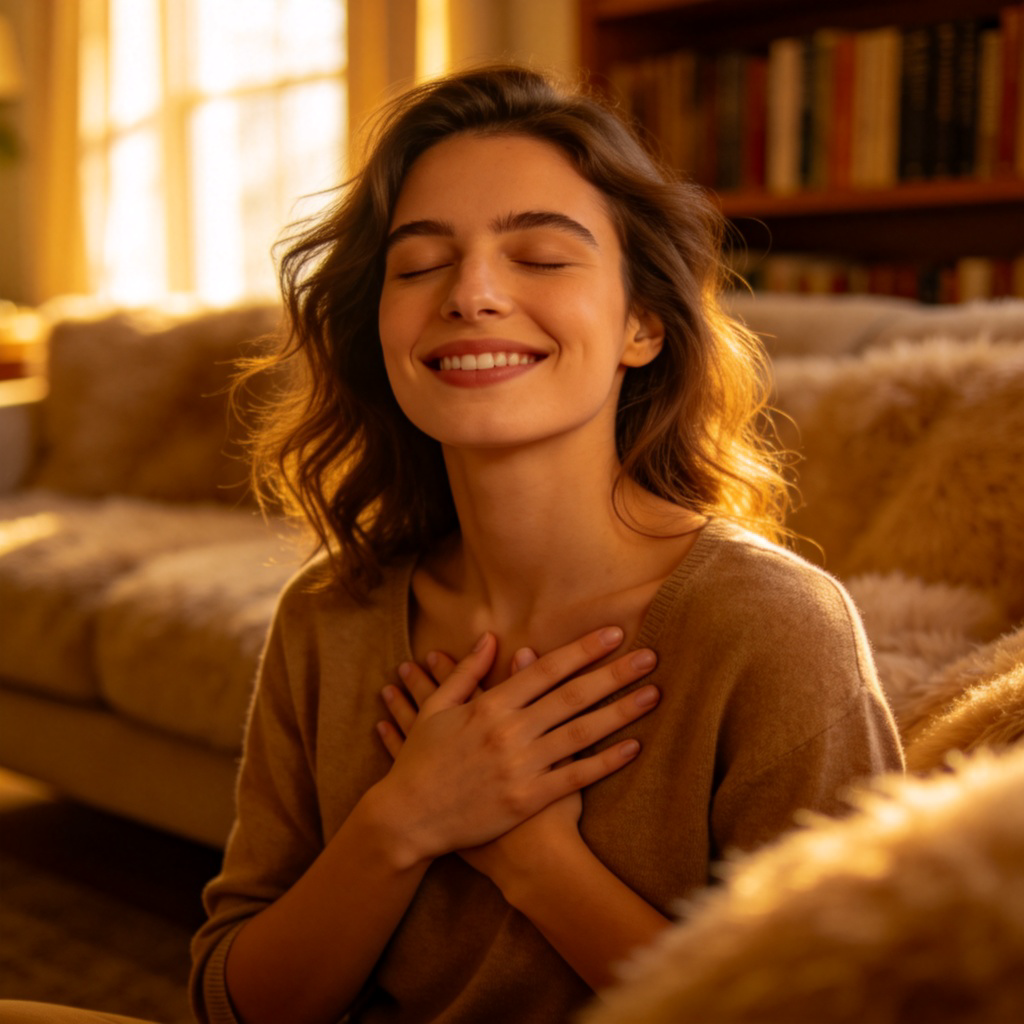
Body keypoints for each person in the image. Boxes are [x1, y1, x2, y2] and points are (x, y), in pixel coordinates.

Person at [189, 64, 903, 1024]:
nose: (472, 293)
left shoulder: (774, 631)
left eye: (541, 256)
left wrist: (539, 864)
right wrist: (402, 822)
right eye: (419, 263)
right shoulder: (330, 613)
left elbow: (850, 1011)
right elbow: (230, 1002)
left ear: (642, 323)